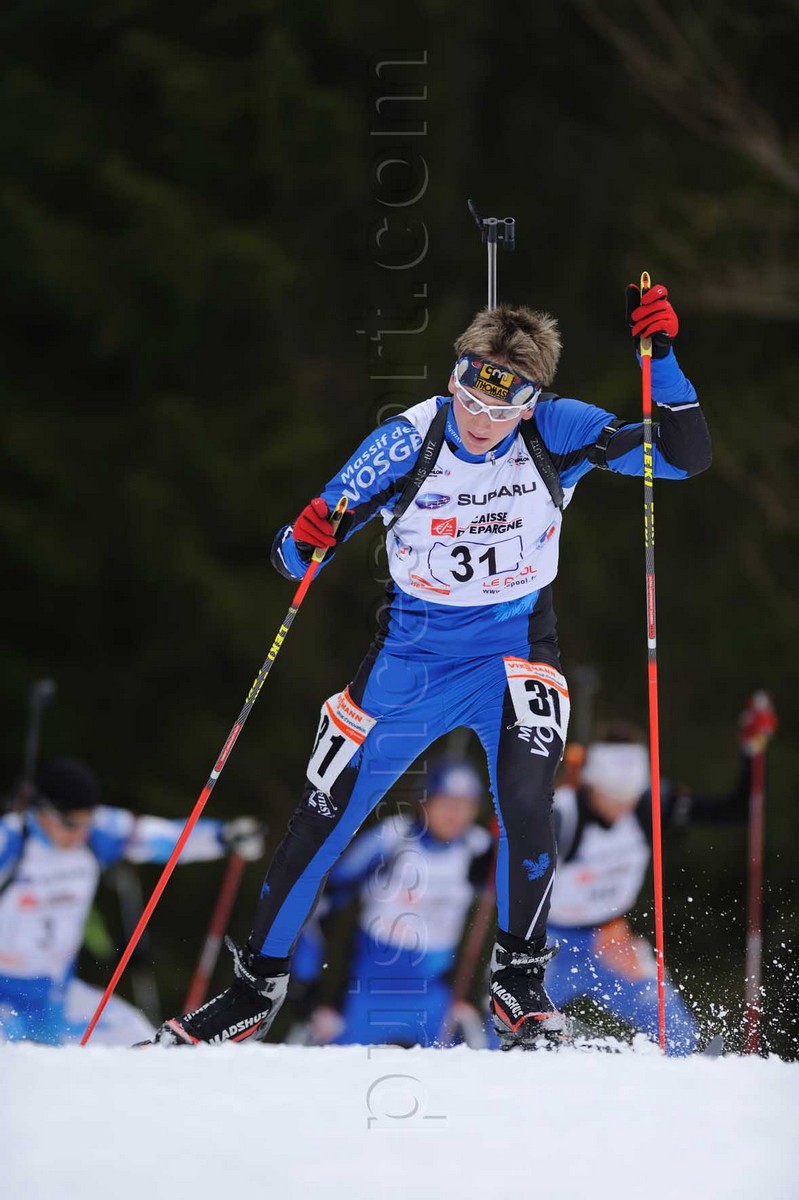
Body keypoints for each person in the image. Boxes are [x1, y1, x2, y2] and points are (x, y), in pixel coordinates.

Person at [148, 280, 712, 1049]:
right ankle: (252, 991)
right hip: (409, 658)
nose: (481, 422)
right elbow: (292, 554)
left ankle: (518, 982)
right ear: (454, 379)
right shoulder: (406, 440)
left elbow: (683, 459)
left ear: (529, 404)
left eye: (501, 410)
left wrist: (661, 360)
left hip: (513, 652)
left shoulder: (556, 429)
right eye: (469, 401)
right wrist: (307, 538)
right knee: (322, 816)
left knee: (526, 800)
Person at [544, 694, 778, 1054]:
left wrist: (752, 752)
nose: (622, 803)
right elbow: (512, 881)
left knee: (678, 1034)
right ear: (591, 783)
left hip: (612, 940)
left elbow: (735, 810)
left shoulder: (649, 805)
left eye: (629, 793)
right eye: (612, 793)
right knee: (502, 1029)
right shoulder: (560, 816)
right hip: (549, 943)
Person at [0, 756, 265, 1045]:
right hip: (5, 995)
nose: (80, 833)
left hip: (56, 997)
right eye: (71, 824)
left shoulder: (98, 834)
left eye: (87, 822)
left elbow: (166, 838)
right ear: (41, 810)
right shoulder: (11, 840)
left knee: (140, 1038)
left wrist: (222, 837)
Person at [287, 755, 494, 1048]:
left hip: (433, 998)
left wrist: (476, 996)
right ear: (426, 801)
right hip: (365, 992)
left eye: (466, 805)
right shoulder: (391, 839)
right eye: (447, 802)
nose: (455, 814)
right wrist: (307, 984)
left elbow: (503, 920)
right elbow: (322, 902)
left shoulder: (480, 849)